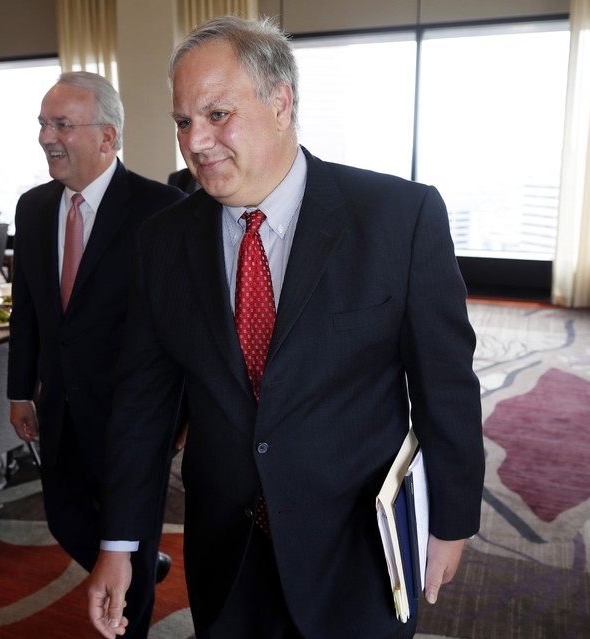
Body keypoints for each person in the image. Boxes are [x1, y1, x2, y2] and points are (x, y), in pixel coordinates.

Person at [87, 16, 485, 639]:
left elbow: (447, 387)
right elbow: (143, 404)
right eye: (184, 121)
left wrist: (450, 522)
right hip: (227, 546)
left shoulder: (397, 218)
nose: (195, 141)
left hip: (357, 548)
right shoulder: (161, 241)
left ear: (280, 102)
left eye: (218, 114)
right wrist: (118, 543)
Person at [7, 71, 186, 639]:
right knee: (64, 520)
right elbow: (27, 307)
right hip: (58, 406)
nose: (45, 136)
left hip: (134, 415)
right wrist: (19, 388)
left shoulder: (164, 209)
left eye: (62, 124)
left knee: (130, 531)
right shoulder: (33, 208)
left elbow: (181, 325)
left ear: (108, 137)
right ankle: (140, 572)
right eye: (42, 122)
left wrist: (183, 415)